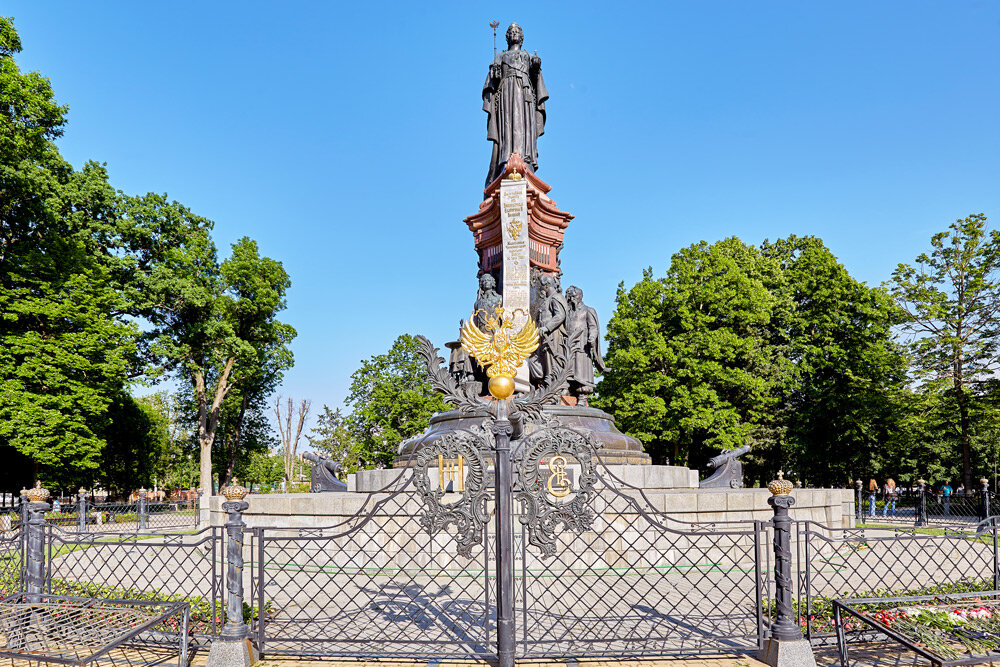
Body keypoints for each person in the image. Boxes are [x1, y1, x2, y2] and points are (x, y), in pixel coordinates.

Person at [482, 23, 548, 186]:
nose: (514, 33)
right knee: (508, 124)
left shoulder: (527, 56)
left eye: (517, 31)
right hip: (506, 93)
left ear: (522, 37)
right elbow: (493, 81)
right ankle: (506, 158)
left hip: (524, 93)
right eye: (511, 31)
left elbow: (535, 79)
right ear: (507, 37)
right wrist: (495, 75)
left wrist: (536, 67)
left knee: (524, 124)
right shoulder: (501, 56)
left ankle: (526, 159)